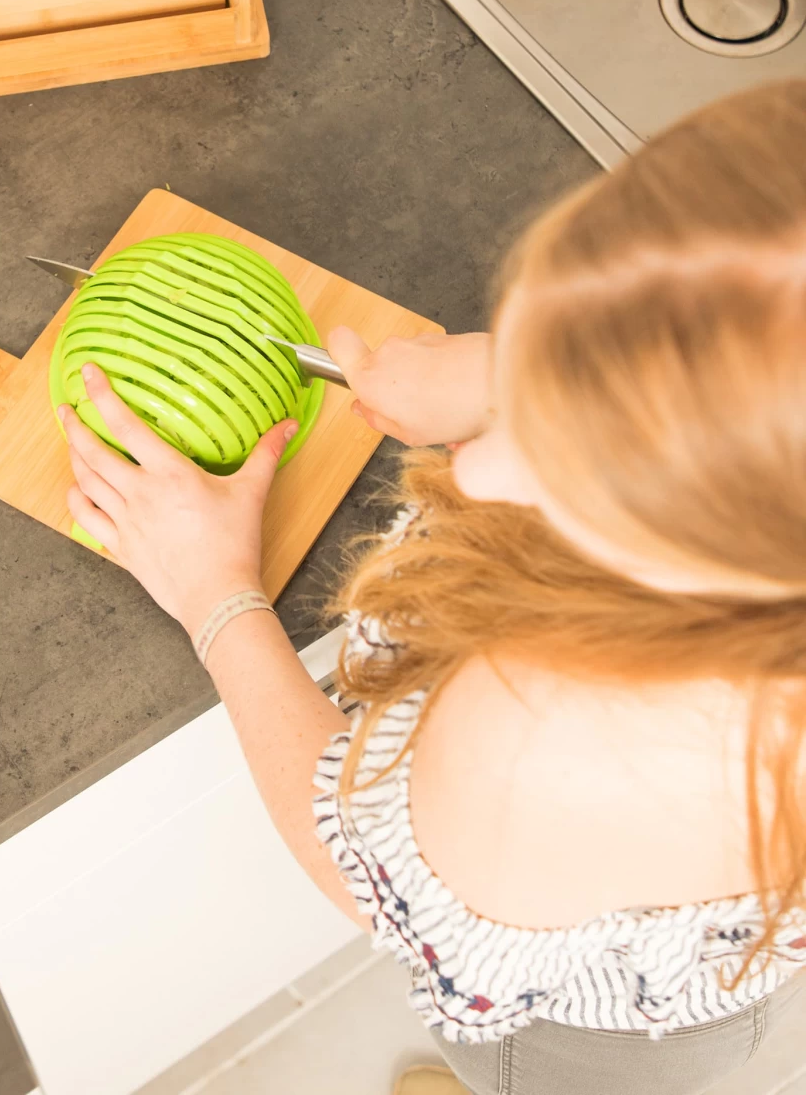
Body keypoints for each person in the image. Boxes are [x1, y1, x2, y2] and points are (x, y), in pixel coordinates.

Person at [57, 81, 806, 1095]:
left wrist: (216, 594)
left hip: (582, 1047)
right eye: (562, 362)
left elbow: (365, 871)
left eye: (569, 456)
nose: (479, 468)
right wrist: (506, 375)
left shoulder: (558, 741)